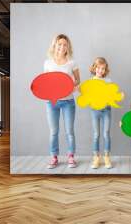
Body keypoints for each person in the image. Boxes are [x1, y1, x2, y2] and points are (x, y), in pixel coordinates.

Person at [44, 34, 80, 169]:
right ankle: (54, 157)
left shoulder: (72, 62)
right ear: (55, 45)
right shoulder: (48, 63)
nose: (62, 47)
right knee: (54, 131)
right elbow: (45, 82)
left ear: (68, 47)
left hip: (68, 101)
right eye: (60, 44)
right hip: (51, 102)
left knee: (69, 131)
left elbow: (77, 80)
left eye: (65, 44)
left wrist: (74, 85)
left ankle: (71, 157)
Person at [89, 57, 114, 169]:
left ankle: (107, 157)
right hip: (95, 110)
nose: (100, 70)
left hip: (106, 110)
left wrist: (117, 96)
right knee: (96, 135)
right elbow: (87, 96)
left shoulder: (108, 81)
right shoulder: (91, 81)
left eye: (103, 68)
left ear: (105, 70)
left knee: (106, 134)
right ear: (94, 68)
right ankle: (96, 157)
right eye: (98, 68)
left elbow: (111, 94)